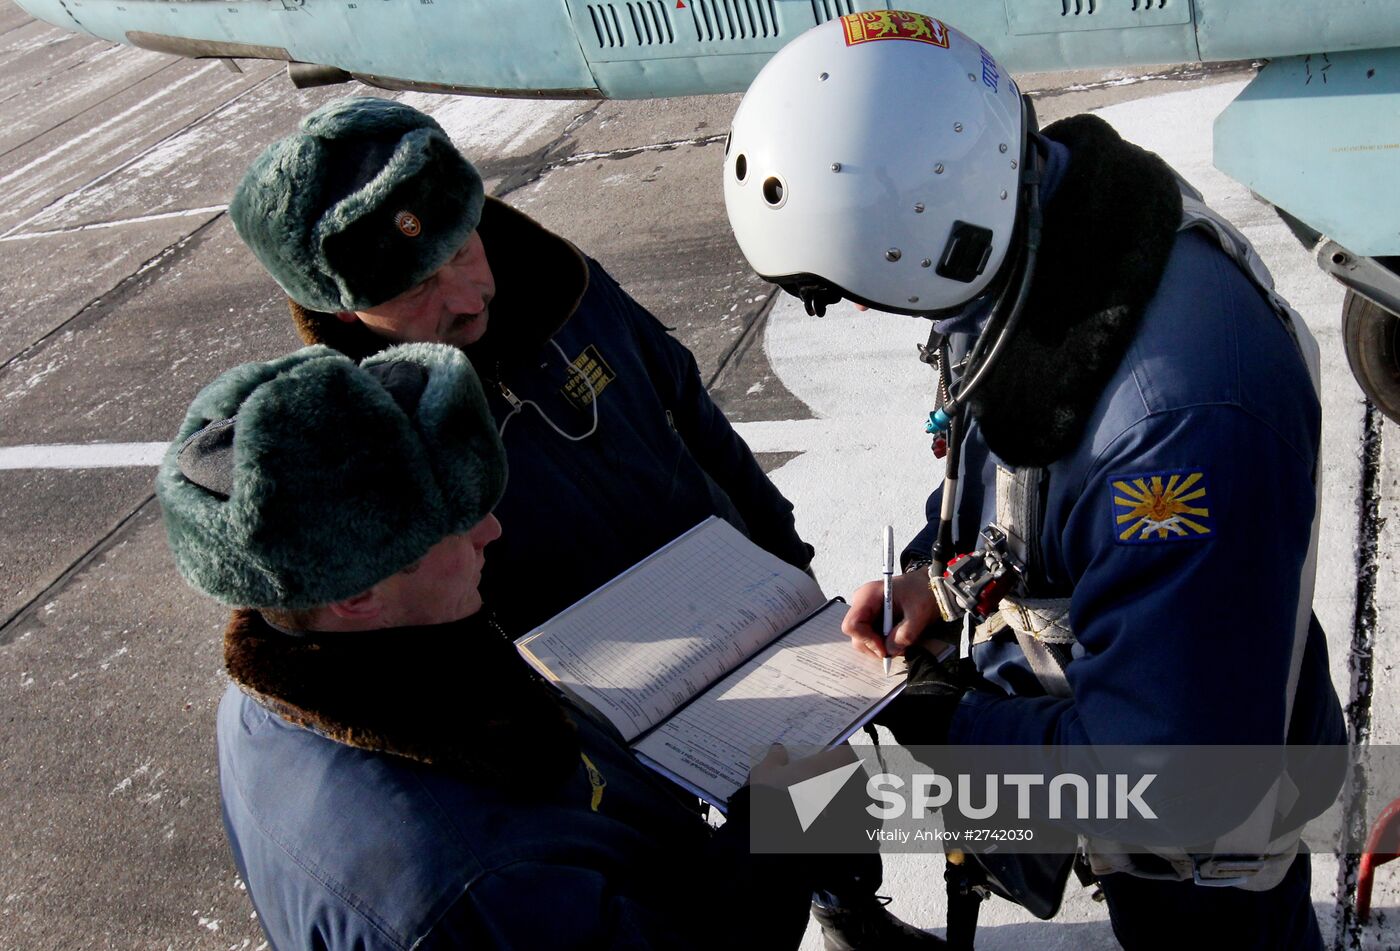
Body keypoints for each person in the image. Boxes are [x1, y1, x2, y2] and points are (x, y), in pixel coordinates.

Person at [723, 12, 1346, 949]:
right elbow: (1023, 446)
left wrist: (950, 728)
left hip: (1207, 836)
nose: (847, 305)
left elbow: (1169, 782)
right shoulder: (1045, 218)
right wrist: (942, 579)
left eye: (838, 284)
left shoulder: (1176, 432)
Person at [156, 342, 834, 950]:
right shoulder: (471, 884)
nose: (491, 529)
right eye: (454, 522)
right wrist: (784, 812)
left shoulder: (271, 696)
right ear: (355, 594)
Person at [227, 96, 813, 637]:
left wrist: (786, 554)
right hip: (619, 694)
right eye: (417, 287)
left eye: (461, 251)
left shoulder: (565, 283)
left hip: (754, 595)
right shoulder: (360, 444)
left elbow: (688, 406)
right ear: (346, 312)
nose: (467, 297)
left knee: (841, 759)